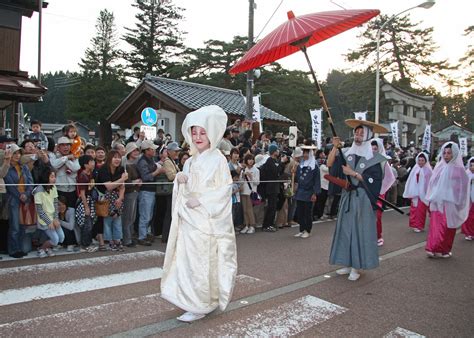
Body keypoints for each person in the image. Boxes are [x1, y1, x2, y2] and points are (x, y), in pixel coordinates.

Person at [161, 105, 237, 323]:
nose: (198, 137)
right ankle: (196, 300)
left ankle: (200, 303)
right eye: (194, 132)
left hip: (206, 221)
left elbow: (224, 190)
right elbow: (185, 187)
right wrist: (180, 180)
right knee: (188, 262)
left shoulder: (218, 159)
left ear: (211, 133)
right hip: (189, 218)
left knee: (202, 263)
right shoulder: (191, 160)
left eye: (202, 132)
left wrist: (202, 200)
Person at [328, 119, 387, 281]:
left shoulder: (374, 158)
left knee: (359, 231)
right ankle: (346, 262)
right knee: (346, 229)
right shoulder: (347, 153)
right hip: (348, 197)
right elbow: (330, 164)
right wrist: (334, 146)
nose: (358, 136)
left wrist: (353, 173)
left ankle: (356, 266)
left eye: (362, 134)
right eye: (356, 132)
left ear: (368, 136)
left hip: (362, 200)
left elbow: (375, 181)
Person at [425, 142, 469, 258]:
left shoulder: (460, 170)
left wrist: (459, 200)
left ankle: (445, 249)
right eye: (444, 153)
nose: (446, 155)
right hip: (437, 201)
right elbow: (432, 183)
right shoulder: (439, 167)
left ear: (454, 154)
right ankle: (432, 247)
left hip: (451, 202)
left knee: (448, 227)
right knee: (436, 225)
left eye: (449, 153)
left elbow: (463, 187)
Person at [4, 144, 34, 258]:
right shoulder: (6, 167)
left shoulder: (24, 166)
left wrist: (26, 194)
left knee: (23, 225)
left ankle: (20, 248)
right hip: (13, 199)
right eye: (14, 153)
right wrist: (20, 195)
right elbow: (10, 185)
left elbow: (31, 182)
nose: (17, 155)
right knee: (15, 226)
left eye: (18, 153)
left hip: (25, 198)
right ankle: (13, 249)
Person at [97, 150, 128, 251]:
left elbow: (122, 187)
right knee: (108, 220)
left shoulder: (121, 169)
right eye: (114, 157)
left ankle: (118, 240)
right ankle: (110, 241)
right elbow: (109, 186)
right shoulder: (103, 169)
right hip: (104, 198)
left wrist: (120, 198)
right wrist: (122, 179)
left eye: (119, 157)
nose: (117, 159)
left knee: (117, 219)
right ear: (109, 158)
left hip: (117, 196)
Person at [136, 140, 163, 246]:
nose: (154, 151)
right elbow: (145, 177)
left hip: (150, 190)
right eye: (152, 149)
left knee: (149, 214)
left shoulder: (150, 160)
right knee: (145, 215)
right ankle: (142, 236)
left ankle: (146, 234)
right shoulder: (142, 161)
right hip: (145, 190)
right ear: (146, 150)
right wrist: (157, 172)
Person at [371, 138, 396, 246]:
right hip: (367, 192)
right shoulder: (365, 160)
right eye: (371, 148)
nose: (373, 150)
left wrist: (381, 189)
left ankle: (378, 236)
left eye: (375, 148)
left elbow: (389, 178)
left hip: (379, 192)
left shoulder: (383, 162)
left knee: (377, 215)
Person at [33, 166, 62, 258]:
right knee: (55, 240)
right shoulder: (38, 190)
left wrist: (55, 218)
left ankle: (47, 247)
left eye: (54, 177)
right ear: (46, 177)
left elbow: (56, 204)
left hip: (53, 217)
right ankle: (41, 248)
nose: (54, 179)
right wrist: (49, 222)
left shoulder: (53, 188)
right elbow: (39, 210)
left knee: (61, 238)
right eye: (52, 177)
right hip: (44, 220)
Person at [259, 144, 288, 232]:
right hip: (270, 187)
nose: (278, 152)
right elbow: (275, 172)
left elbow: (280, 171)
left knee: (273, 206)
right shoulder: (269, 161)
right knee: (271, 207)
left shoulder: (275, 160)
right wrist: (282, 163)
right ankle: (267, 225)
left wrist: (282, 163)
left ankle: (270, 224)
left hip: (275, 187)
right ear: (273, 151)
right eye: (277, 150)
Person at [294, 145, 320, 238]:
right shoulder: (300, 165)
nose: (305, 155)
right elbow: (297, 177)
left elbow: (317, 180)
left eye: (306, 153)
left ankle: (307, 230)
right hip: (300, 191)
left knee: (307, 212)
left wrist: (315, 193)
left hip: (309, 191)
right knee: (300, 211)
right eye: (304, 153)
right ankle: (301, 229)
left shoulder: (314, 166)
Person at [403, 152, 432, 233]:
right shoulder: (415, 169)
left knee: (421, 211)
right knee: (414, 209)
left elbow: (430, 183)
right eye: (419, 160)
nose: (420, 162)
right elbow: (410, 180)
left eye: (422, 160)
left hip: (423, 194)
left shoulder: (429, 170)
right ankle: (414, 224)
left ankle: (419, 226)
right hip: (415, 193)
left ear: (425, 161)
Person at [121, 142, 142, 248]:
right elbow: (125, 181)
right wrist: (135, 182)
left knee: (132, 217)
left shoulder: (136, 162)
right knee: (128, 217)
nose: (136, 152)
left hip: (135, 192)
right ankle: (127, 239)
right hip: (128, 193)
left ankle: (130, 238)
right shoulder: (125, 164)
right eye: (134, 150)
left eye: (137, 150)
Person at [75, 155, 97, 251]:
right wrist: (86, 207)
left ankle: (87, 243)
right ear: (85, 164)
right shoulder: (83, 176)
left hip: (89, 200)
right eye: (91, 162)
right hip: (85, 201)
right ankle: (85, 245)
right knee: (86, 224)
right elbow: (82, 193)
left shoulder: (89, 173)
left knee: (90, 223)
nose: (93, 163)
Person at [240, 154, 260, 235]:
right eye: (249, 159)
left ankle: (252, 225)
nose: (251, 161)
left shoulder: (256, 170)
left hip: (251, 192)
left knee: (249, 209)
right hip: (243, 191)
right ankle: (246, 225)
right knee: (244, 209)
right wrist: (243, 176)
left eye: (252, 159)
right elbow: (241, 181)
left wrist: (251, 177)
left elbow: (257, 182)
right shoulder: (243, 170)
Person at [462, 157, 474, 240]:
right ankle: (468, 233)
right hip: (468, 199)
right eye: (471, 165)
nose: (472, 167)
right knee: (468, 216)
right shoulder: (467, 174)